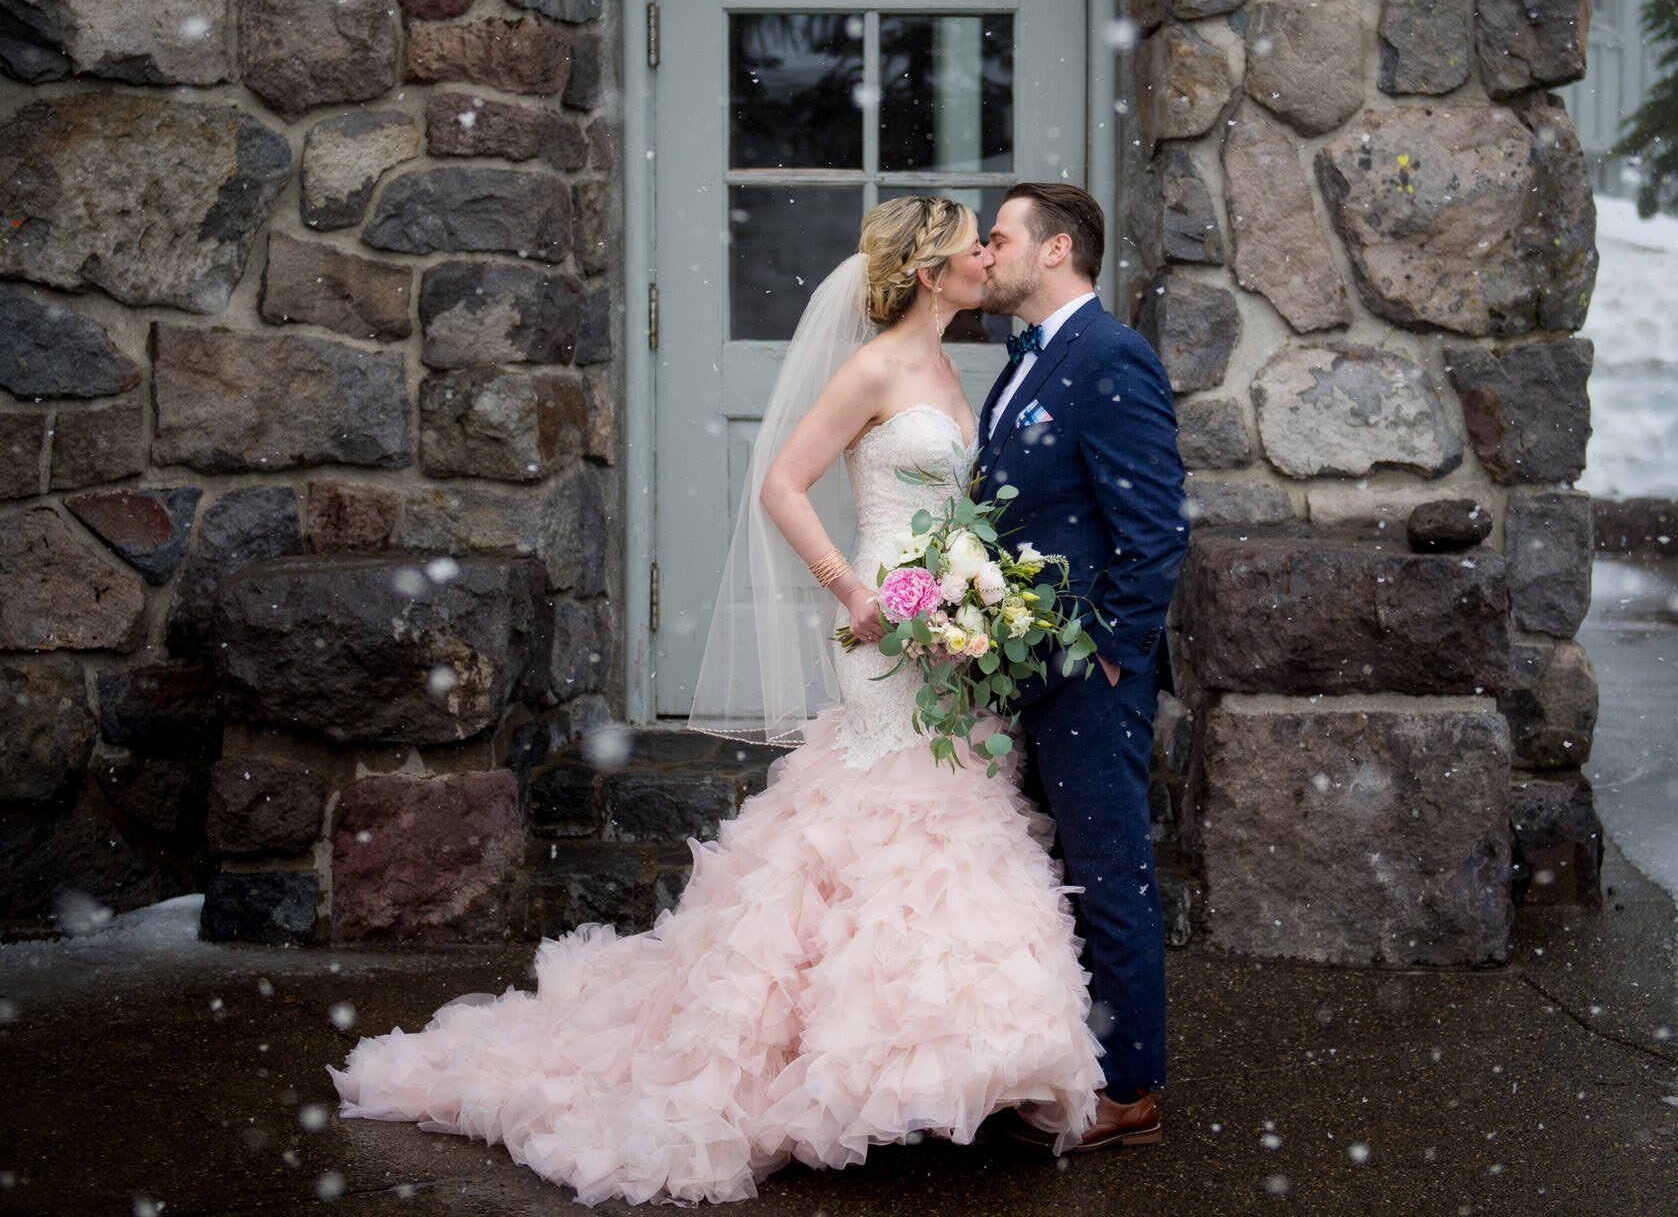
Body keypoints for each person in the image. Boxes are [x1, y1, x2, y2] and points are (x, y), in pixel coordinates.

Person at [330, 196, 1105, 1207]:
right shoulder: (874, 366)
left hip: (948, 630)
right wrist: (850, 589)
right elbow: (780, 481)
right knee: (886, 812)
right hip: (880, 629)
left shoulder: (960, 370)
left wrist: (978, 598)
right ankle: (848, 1067)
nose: (986, 262)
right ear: (931, 272)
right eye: (973, 248)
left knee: (948, 813)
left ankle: (945, 1064)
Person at [976, 182, 1188, 1151]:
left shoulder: (1110, 356)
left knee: (1109, 875)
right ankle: (1067, 1060)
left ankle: (1127, 1088)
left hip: (1088, 675)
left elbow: (1151, 528)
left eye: (999, 238)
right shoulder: (1021, 361)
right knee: (1062, 875)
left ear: (1056, 249)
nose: (987, 254)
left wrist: (1107, 653)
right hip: (1027, 667)